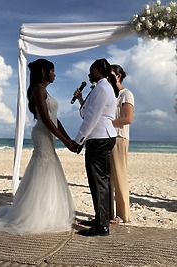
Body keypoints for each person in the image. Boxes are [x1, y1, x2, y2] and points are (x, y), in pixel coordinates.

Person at [0, 58, 76, 234]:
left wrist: (68, 138)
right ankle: (36, 213)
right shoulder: (38, 90)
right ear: (44, 72)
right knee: (43, 168)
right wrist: (65, 141)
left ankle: (47, 211)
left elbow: (55, 119)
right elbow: (47, 120)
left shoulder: (44, 91)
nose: (54, 74)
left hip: (48, 133)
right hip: (42, 134)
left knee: (48, 168)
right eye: (52, 70)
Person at [74, 58, 119, 236]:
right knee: (103, 181)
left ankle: (101, 226)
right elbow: (86, 111)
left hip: (99, 137)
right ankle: (102, 218)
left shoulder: (101, 88)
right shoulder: (101, 88)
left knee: (98, 181)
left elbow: (91, 117)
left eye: (91, 70)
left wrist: (78, 140)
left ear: (99, 70)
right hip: (103, 136)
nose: (89, 73)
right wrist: (80, 99)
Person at [109, 64, 134, 224]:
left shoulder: (126, 94)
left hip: (119, 138)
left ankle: (123, 215)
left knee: (119, 176)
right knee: (109, 179)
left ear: (118, 76)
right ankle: (109, 213)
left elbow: (127, 119)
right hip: (108, 138)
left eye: (111, 75)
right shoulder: (111, 95)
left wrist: (107, 124)